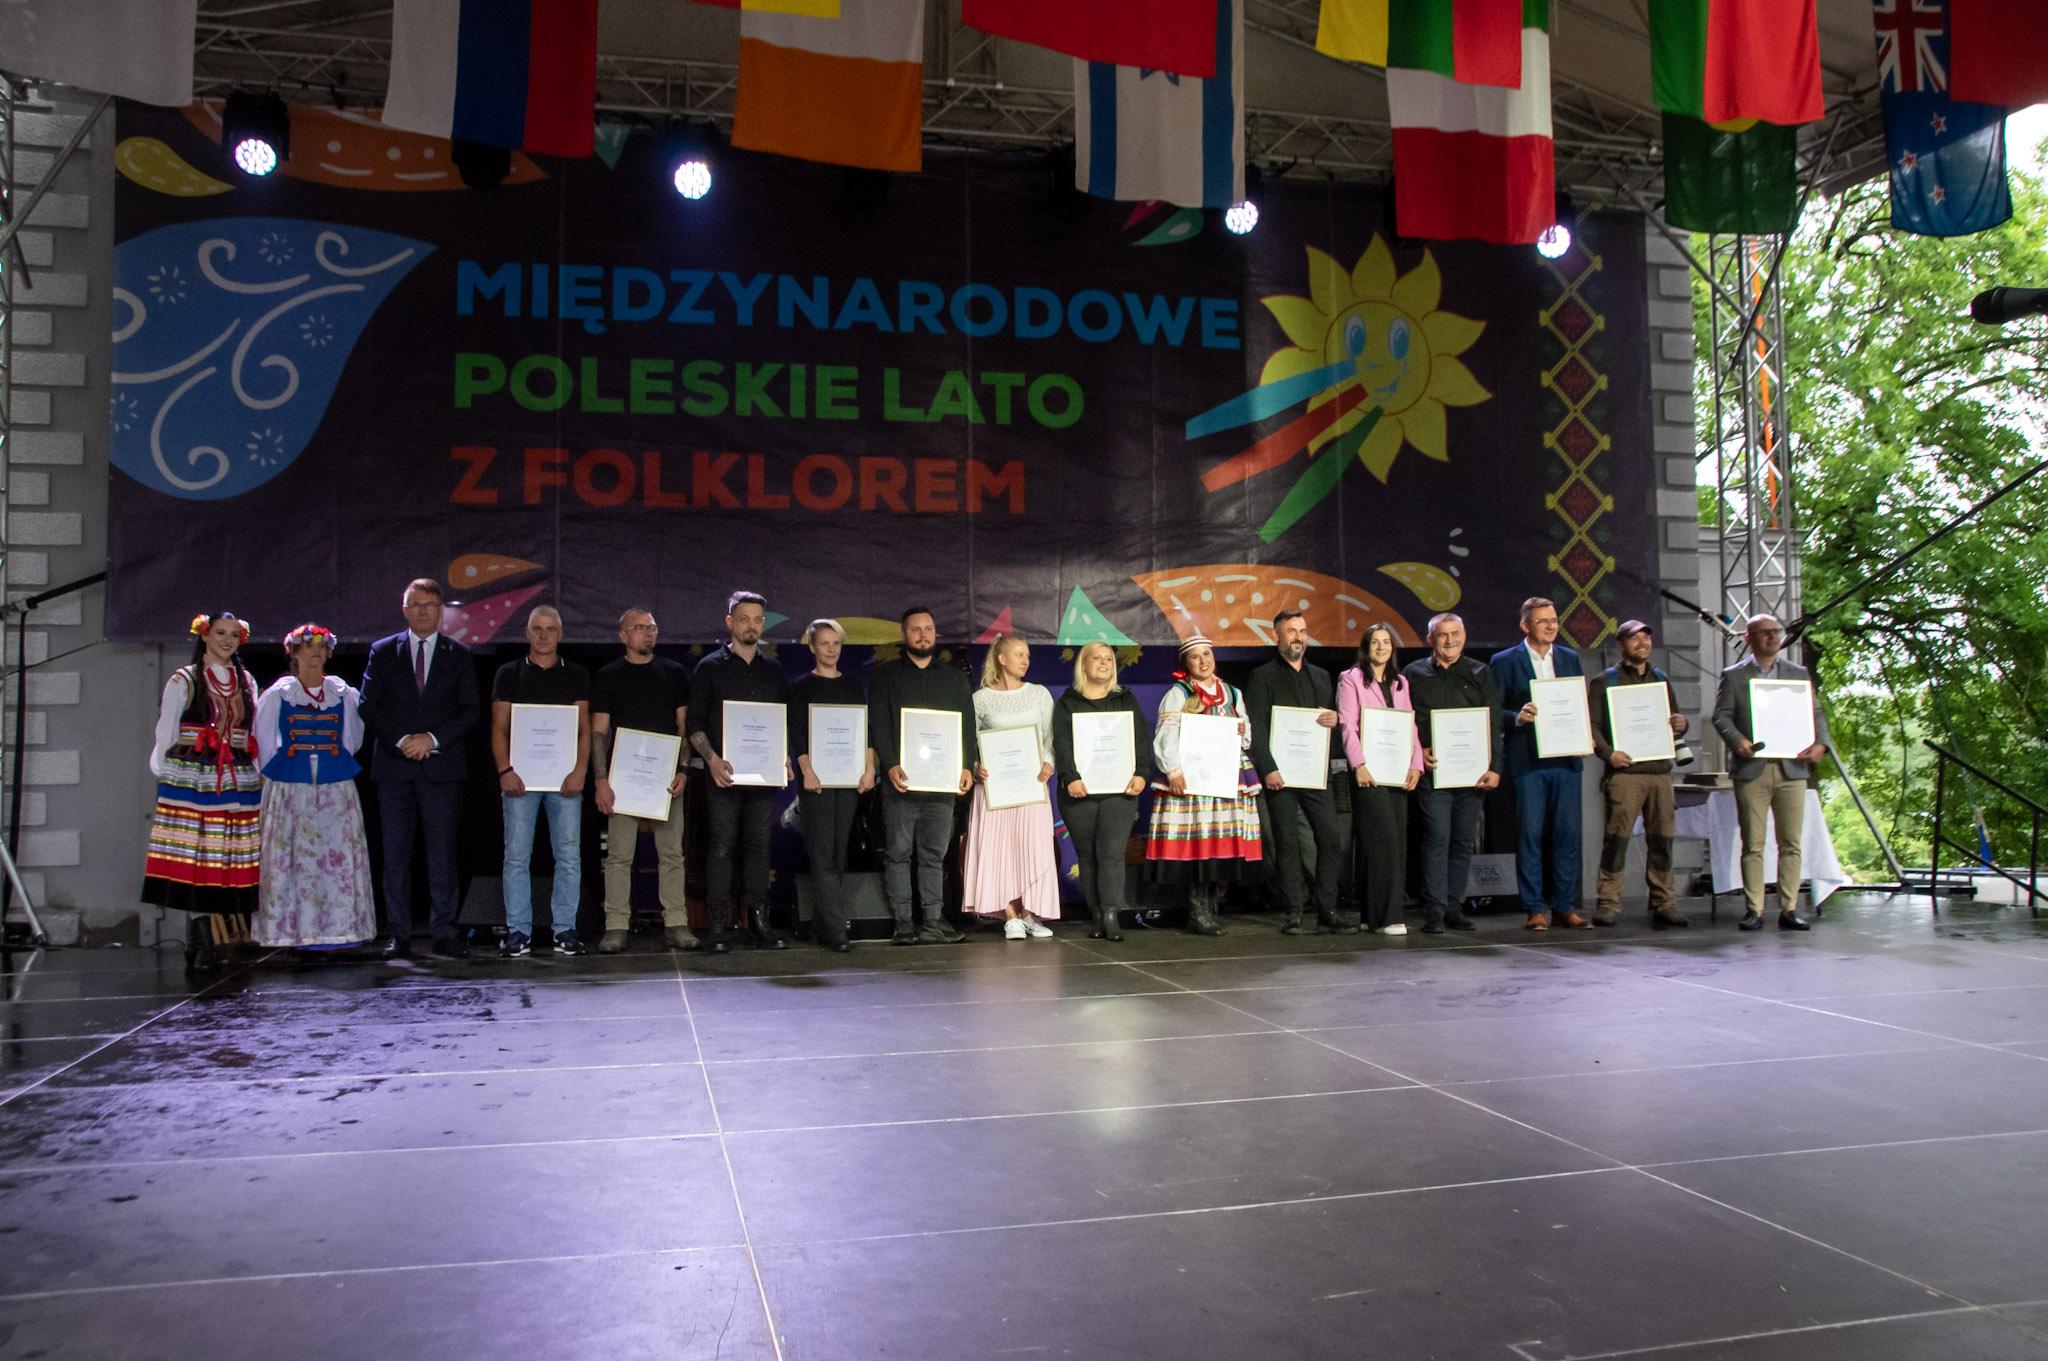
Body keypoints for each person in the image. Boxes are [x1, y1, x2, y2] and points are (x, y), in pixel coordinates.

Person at [359, 578, 481, 959]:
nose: (423, 610)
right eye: (416, 604)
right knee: (395, 853)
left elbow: (470, 710)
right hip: (394, 768)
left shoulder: (459, 654)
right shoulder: (382, 652)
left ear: (441, 610)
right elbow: (368, 705)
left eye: (430, 604)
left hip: (441, 768)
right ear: (405, 610)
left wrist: (431, 739)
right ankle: (398, 932)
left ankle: (444, 930)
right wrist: (401, 741)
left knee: (442, 853)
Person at [142, 611, 262, 973]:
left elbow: (252, 728)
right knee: (196, 856)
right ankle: (202, 934)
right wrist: (162, 769)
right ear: (205, 636)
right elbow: (166, 729)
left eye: (234, 635)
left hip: (235, 776)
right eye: (220, 633)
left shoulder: (246, 681)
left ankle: (202, 936)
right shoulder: (184, 679)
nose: (227, 641)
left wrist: (257, 770)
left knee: (225, 857)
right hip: (194, 775)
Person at [252, 624, 376, 949]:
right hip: (290, 787)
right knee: (293, 858)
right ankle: (292, 932)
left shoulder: (343, 694)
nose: (315, 654)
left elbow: (352, 740)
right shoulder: (279, 694)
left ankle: (337, 932)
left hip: (334, 787)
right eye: (307, 648)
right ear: (294, 653)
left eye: (321, 648)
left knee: (335, 857)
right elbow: (263, 742)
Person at [1712, 613, 1830, 931]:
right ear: (1749, 638)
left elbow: (1816, 713)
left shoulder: (1798, 673)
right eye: (1764, 632)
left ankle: (1789, 908)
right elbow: (1721, 716)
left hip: (1793, 767)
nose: (1772, 637)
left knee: (1791, 842)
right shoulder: (1734, 675)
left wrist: (1821, 744)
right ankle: (1755, 909)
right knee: (1753, 843)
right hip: (1753, 767)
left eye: (1776, 631)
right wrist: (1737, 741)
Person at [688, 590, 791, 952]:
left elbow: (781, 723)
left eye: (758, 620)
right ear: (729, 622)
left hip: (762, 779)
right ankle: (717, 926)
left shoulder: (774, 671)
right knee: (720, 848)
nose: (752, 626)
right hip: (723, 777)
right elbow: (694, 725)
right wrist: (712, 760)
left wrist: (784, 758)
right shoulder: (709, 668)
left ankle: (758, 924)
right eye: (744, 619)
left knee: (759, 848)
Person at [868, 606, 976, 945]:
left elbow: (967, 728)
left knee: (934, 855)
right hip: (901, 783)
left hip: (941, 785)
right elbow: (878, 725)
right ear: (904, 635)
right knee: (898, 853)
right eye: (915, 629)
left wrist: (966, 765)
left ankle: (932, 921)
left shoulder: (954, 679)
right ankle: (903, 923)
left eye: (928, 628)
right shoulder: (885, 677)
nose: (923, 635)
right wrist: (889, 764)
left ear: (935, 633)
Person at [590, 607, 694, 954]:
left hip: (665, 777)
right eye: (639, 627)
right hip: (623, 779)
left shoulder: (674, 673)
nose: (647, 633)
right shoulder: (608, 675)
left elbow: (684, 726)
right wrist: (601, 780)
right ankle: (616, 925)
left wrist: (683, 770)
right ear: (623, 636)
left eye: (652, 627)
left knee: (672, 853)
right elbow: (599, 732)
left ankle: (676, 923)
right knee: (619, 856)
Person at [490, 604, 592, 958]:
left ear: (560, 634)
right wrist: (505, 771)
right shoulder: (509, 673)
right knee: (517, 857)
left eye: (551, 629)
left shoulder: (576, 673)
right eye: (537, 628)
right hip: (520, 781)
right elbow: (499, 728)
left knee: (569, 857)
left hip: (565, 782)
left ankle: (565, 930)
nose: (544, 635)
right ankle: (518, 931)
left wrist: (580, 771)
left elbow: (584, 730)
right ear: (527, 633)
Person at [1145, 636, 1263, 936]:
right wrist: (1173, 771)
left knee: (1220, 842)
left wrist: (1241, 731)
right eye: (1195, 657)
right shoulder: (1178, 693)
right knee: (1199, 842)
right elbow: (1166, 734)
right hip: (1195, 777)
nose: (1203, 661)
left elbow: (1246, 733)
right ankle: (1198, 910)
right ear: (1186, 663)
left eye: (1207, 654)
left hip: (1225, 776)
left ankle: (1212, 904)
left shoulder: (1232, 693)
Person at [1246, 610, 1350, 934]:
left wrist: (1335, 719)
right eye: (1291, 631)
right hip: (1280, 777)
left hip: (1315, 774)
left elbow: (1330, 722)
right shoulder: (1262, 677)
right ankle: (1293, 911)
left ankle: (1327, 910)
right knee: (1287, 843)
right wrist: (1269, 769)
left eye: (1302, 631)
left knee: (1331, 840)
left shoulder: (1321, 676)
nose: (1298, 637)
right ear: (1276, 636)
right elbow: (1257, 728)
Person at [1491, 597, 1590, 931]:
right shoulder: (1505, 661)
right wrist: (1517, 717)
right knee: (1530, 835)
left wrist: (1584, 735)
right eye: (1542, 621)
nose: (1550, 626)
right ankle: (1535, 907)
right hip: (1528, 762)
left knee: (1567, 835)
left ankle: (1565, 905)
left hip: (1566, 760)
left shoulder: (1569, 658)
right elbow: (1493, 711)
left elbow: (1578, 705)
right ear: (1525, 625)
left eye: (1554, 620)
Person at [1589, 619, 1691, 929]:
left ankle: (1664, 902)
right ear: (1621, 644)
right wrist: (1609, 753)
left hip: (1660, 772)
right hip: (1626, 773)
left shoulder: (1661, 678)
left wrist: (1682, 723)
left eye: (1646, 638)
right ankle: (1608, 902)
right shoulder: (1605, 681)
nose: (1642, 643)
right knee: (1616, 840)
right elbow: (1592, 726)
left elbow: (1675, 720)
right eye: (1635, 638)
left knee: (1662, 839)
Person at [1405, 612, 1503, 935]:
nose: (1450, 641)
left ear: (1464, 636)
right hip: (1434, 774)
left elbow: (1493, 722)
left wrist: (1495, 767)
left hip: (1472, 775)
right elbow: (1404, 720)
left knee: (1462, 841)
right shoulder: (1413, 673)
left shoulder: (1480, 672)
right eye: (1443, 635)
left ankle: (1453, 906)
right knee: (1436, 838)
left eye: (1455, 634)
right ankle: (1434, 909)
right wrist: (1418, 752)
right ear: (1430, 639)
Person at [963, 633, 1060, 940]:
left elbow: (1050, 737)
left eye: (1027, 655)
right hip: (995, 790)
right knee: (998, 850)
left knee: (1031, 848)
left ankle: (1029, 913)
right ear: (1001, 658)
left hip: (1031, 786)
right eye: (1018, 654)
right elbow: (969, 742)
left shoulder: (1039, 694)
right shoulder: (981, 699)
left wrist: (1048, 761)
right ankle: (1010, 916)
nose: (1025, 660)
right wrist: (976, 766)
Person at [789, 618, 875, 952]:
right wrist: (807, 771)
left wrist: (869, 768)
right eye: (824, 643)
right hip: (817, 782)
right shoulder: (800, 686)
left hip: (848, 780)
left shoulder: (853, 685)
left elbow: (863, 731)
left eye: (836, 643)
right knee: (823, 853)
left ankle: (823, 924)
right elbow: (798, 734)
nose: (831, 649)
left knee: (840, 855)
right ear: (812, 647)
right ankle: (837, 929)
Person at [1052, 641, 1147, 942]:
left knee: (1111, 853)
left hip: (1119, 792)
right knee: (1088, 856)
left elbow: (1140, 740)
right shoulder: (1067, 703)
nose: (1104, 663)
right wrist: (1070, 777)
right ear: (1083, 664)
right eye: (1097, 658)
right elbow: (1062, 745)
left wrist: (1142, 773)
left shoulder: (1125, 699)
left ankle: (1111, 915)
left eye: (1109, 658)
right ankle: (1096, 915)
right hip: (1078, 792)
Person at [1336, 622, 1424, 935]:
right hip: (1369, 773)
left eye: (1386, 642)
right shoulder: (1351, 679)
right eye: (1375, 642)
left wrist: (1416, 765)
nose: (1381, 647)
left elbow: (1410, 726)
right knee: (1383, 842)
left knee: (1393, 841)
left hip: (1397, 772)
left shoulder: (1400, 682)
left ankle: (1371, 916)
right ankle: (1389, 917)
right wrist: (1358, 764)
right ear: (1366, 647)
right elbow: (1347, 725)